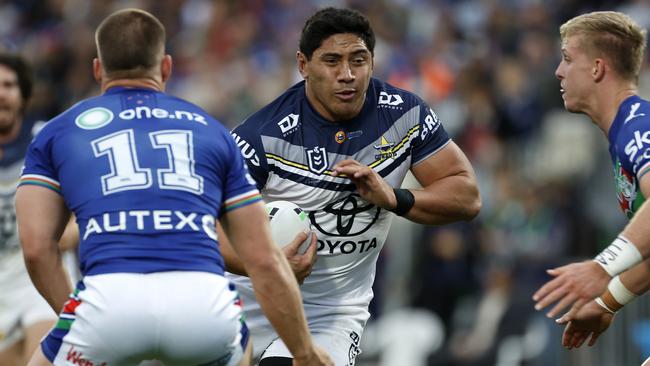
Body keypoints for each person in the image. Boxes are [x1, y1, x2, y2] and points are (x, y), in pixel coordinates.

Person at [16, 8, 332, 366]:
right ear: (165, 67)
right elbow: (262, 259)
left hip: (108, 302)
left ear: (97, 69)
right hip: (202, 308)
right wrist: (305, 352)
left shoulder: (57, 131)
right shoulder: (212, 130)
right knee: (239, 349)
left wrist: (80, 319)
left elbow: (37, 249)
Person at [221, 7, 481, 365]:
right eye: (331, 61)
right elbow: (206, 229)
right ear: (303, 64)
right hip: (251, 301)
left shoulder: (404, 115)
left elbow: (467, 195)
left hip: (332, 314)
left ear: (372, 62)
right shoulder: (262, 135)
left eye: (358, 60)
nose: (347, 75)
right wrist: (267, 266)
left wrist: (393, 196)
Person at [531, 11, 650, 347]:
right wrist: (606, 303)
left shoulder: (639, 128)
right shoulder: (626, 132)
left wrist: (601, 266)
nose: (558, 70)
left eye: (567, 58)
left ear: (597, 68)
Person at [0, 52, 58, 366]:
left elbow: (85, 210)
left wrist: (63, 234)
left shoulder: (49, 139)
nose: (1, 93)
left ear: (23, 93)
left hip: (38, 283)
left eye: (8, 84)